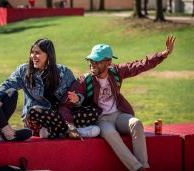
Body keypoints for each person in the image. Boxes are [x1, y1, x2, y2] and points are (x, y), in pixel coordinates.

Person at [70, 36, 176, 171]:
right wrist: (76, 100)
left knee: (136, 123)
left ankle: (144, 165)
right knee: (111, 134)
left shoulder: (116, 72)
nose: (92, 64)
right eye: (91, 60)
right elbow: (75, 97)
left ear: (108, 62)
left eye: (97, 61)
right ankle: (137, 168)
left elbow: (140, 65)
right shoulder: (85, 80)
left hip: (118, 115)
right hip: (101, 119)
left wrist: (163, 54)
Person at [0, 38, 100, 139]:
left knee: (93, 111)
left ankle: (54, 132)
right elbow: (8, 84)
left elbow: (76, 96)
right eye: (32, 52)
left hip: (59, 117)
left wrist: (77, 99)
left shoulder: (64, 72)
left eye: (38, 53)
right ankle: (72, 131)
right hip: (37, 119)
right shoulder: (24, 71)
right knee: (33, 111)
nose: (33, 56)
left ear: (48, 55)